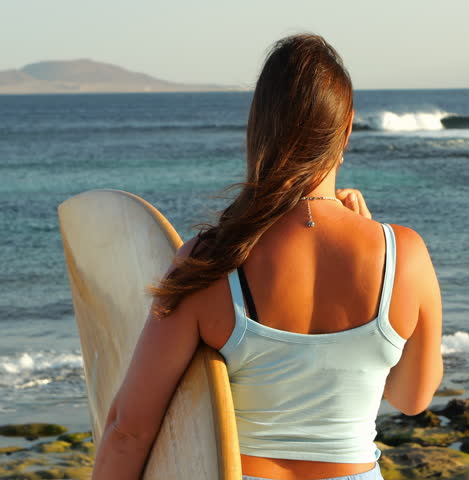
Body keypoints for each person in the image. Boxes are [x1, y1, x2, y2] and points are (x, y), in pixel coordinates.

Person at [91, 34, 443, 480]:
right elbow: (411, 397)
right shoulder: (405, 255)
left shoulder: (212, 261)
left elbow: (128, 430)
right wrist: (372, 239)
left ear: (258, 129)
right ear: (348, 128)